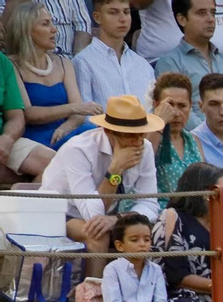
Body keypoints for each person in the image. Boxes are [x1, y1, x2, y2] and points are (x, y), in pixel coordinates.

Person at [37, 93, 161, 277]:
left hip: (107, 216)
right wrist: (115, 170)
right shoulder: (78, 149)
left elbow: (150, 204)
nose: (137, 142)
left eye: (141, 134)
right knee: (97, 234)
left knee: (141, 233)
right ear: (108, 132)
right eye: (130, 136)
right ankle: (93, 296)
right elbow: (92, 215)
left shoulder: (146, 148)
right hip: (57, 214)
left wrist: (118, 219)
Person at [152, 0, 223, 130]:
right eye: (201, 13)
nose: (211, 19)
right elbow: (179, 112)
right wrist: (214, 138)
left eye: (213, 13)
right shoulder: (170, 63)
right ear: (182, 19)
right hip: (199, 143)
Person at [10, 2, 98, 148]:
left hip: (65, 132)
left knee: (103, 139)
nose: (54, 30)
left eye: (53, 23)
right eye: (45, 24)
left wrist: (65, 128)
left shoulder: (64, 64)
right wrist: (74, 108)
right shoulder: (12, 65)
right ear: (26, 29)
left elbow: (79, 115)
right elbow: (29, 114)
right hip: (35, 138)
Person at [156, 159, 222, 302]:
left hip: (219, 293)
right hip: (179, 296)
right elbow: (175, 275)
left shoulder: (219, 221)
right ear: (204, 191)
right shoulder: (172, 216)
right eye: (219, 191)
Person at [73, 0, 154, 111]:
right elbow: (84, 115)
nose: (122, 19)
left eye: (126, 12)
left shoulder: (143, 65)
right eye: (113, 12)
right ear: (97, 17)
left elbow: (152, 109)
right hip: (101, 128)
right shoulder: (83, 62)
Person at [102, 210, 169, 302]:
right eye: (134, 240)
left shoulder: (156, 269)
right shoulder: (112, 269)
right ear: (119, 245)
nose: (142, 244)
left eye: (147, 240)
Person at [0, 49, 54, 177]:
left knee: (56, 165)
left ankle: (21, 197)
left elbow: (16, 117)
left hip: (2, 138)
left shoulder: (3, 62)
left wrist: (7, 139)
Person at [147, 70, 199, 200]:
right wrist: (159, 123)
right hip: (154, 211)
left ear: (190, 106)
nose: (176, 113)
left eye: (182, 106)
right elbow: (142, 161)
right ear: (156, 105)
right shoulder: (144, 136)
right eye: (169, 105)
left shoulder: (193, 140)